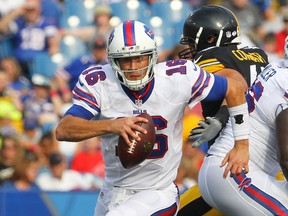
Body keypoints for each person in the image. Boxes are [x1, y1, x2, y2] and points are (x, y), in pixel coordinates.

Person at [56, 20, 250, 216]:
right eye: (125, 60)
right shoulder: (99, 81)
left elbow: (235, 87)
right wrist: (111, 125)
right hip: (112, 190)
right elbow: (64, 129)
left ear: (153, 56)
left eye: (140, 58)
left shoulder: (179, 76)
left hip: (157, 191)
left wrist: (241, 145)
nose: (133, 67)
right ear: (113, 61)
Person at [177, 5, 269, 216]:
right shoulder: (259, 55)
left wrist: (220, 117)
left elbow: (237, 87)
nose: (190, 48)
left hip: (233, 165)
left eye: (191, 42)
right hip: (267, 160)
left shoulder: (209, 57)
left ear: (209, 39)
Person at [197, 36, 288, 215]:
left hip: (249, 172)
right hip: (233, 169)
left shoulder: (279, 68)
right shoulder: (284, 83)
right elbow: (286, 157)